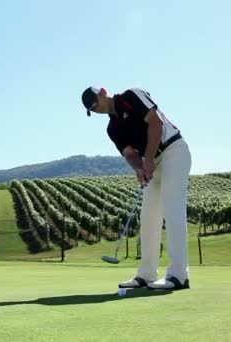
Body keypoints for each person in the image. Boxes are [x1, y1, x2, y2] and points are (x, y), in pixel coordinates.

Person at [81, 86, 192, 290]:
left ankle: (179, 275)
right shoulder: (112, 128)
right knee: (148, 216)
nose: (96, 109)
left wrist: (148, 159)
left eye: (95, 103)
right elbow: (130, 153)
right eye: (91, 109)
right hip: (154, 162)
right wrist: (139, 169)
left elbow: (156, 123)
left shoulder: (131, 96)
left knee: (172, 209)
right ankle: (147, 275)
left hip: (173, 151)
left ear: (103, 92)